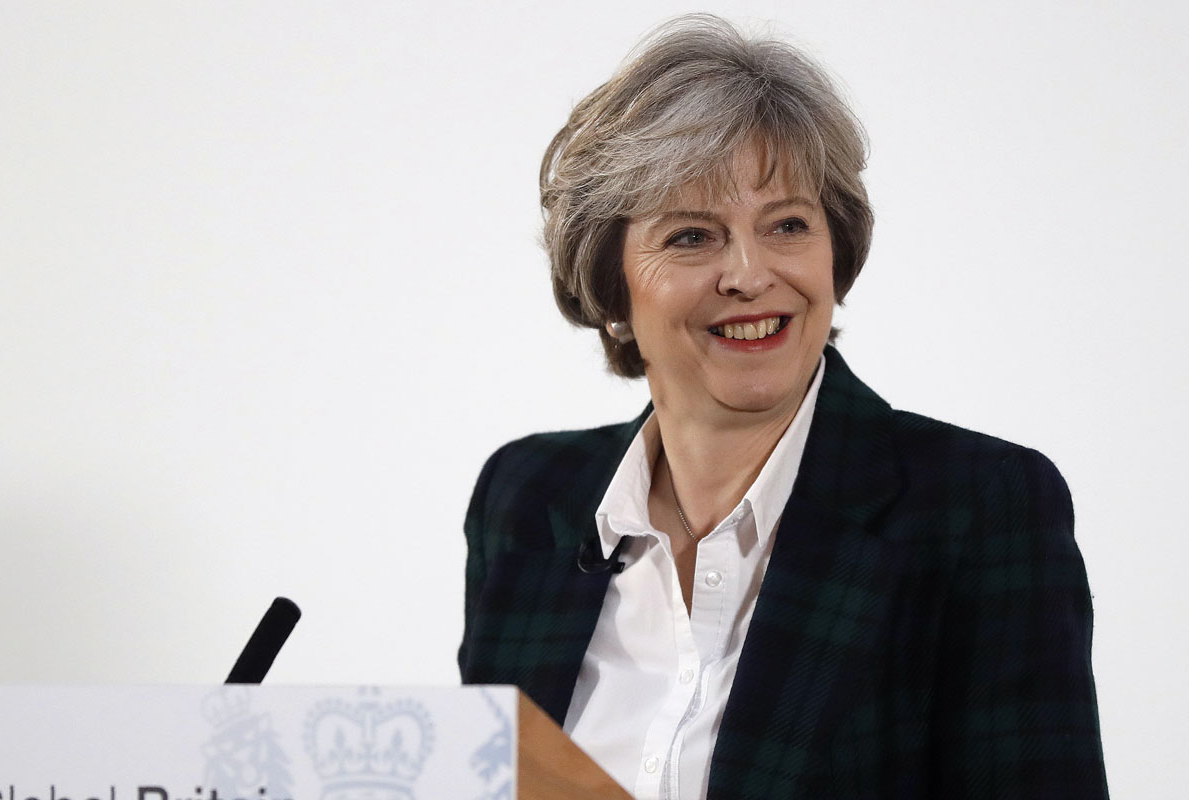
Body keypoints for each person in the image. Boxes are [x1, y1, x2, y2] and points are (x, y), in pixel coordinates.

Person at [458, 14, 1107, 800]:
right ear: (610, 289)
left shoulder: (979, 509)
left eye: (788, 226)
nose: (748, 274)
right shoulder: (525, 499)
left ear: (836, 251)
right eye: (692, 236)